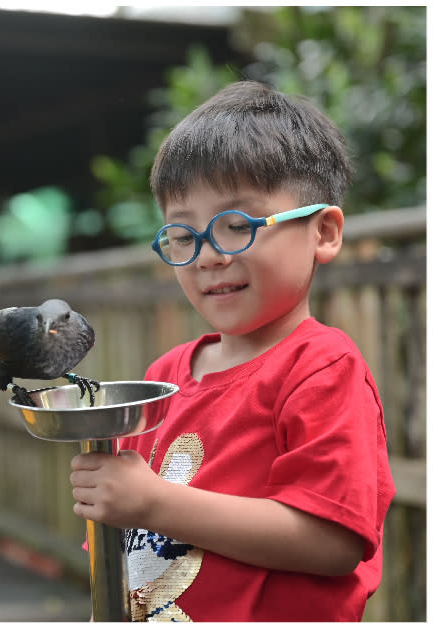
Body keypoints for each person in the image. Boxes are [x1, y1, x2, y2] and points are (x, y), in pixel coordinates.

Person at [68, 81, 395, 621]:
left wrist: (152, 503)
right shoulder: (165, 374)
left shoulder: (321, 367)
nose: (207, 257)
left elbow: (334, 543)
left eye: (237, 226)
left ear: (324, 231)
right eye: (182, 235)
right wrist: (113, 500)